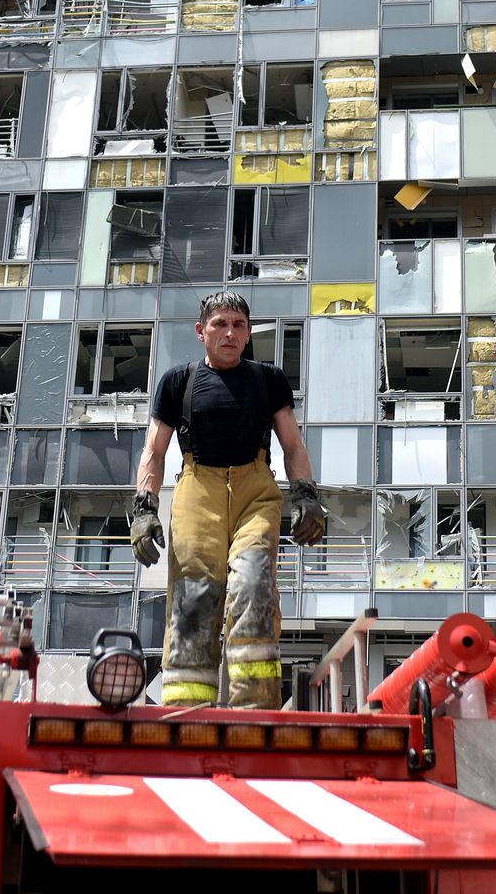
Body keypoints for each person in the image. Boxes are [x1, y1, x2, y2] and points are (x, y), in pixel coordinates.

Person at [131, 291, 327, 707]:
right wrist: (145, 508)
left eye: (239, 325)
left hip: (255, 494)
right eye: (220, 324)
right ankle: (186, 711)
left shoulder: (268, 379)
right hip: (197, 492)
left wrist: (306, 496)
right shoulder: (177, 381)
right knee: (193, 601)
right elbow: (154, 451)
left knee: (254, 588)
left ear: (249, 333)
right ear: (202, 331)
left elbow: (292, 445)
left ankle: (255, 710)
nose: (230, 333)